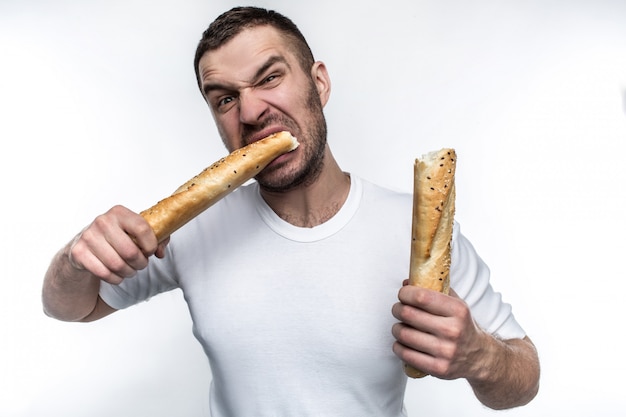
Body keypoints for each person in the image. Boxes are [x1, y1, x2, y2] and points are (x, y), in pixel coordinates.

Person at [42, 6, 539, 416]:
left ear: (318, 84)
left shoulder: (415, 231)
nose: (251, 111)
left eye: (270, 78)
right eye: (225, 99)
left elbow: (523, 378)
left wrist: (481, 357)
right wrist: (76, 258)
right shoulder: (191, 229)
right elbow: (70, 307)